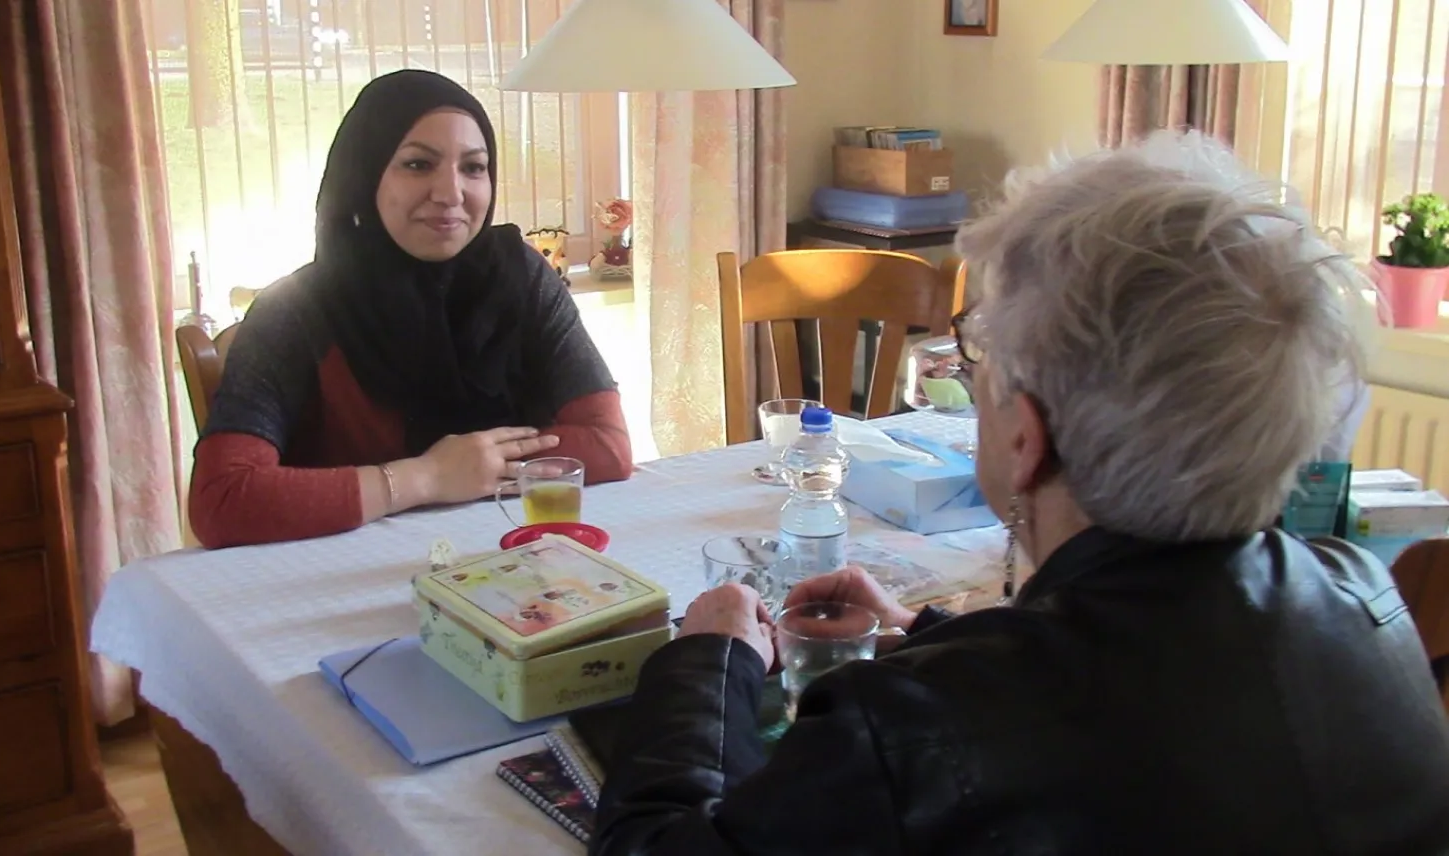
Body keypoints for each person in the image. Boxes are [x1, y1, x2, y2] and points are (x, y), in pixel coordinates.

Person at [590, 132, 1449, 855]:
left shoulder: (906, 729)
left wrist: (710, 661)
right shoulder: (1364, 596)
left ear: (1025, 437)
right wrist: (933, 641)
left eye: (978, 364)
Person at [188, 71, 631, 549]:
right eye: (419, 165)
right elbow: (223, 500)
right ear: (365, 176)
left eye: (474, 167)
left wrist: (474, 468)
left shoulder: (518, 276)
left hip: (517, 570)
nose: (451, 193)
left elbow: (607, 446)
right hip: (348, 583)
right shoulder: (296, 309)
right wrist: (427, 478)